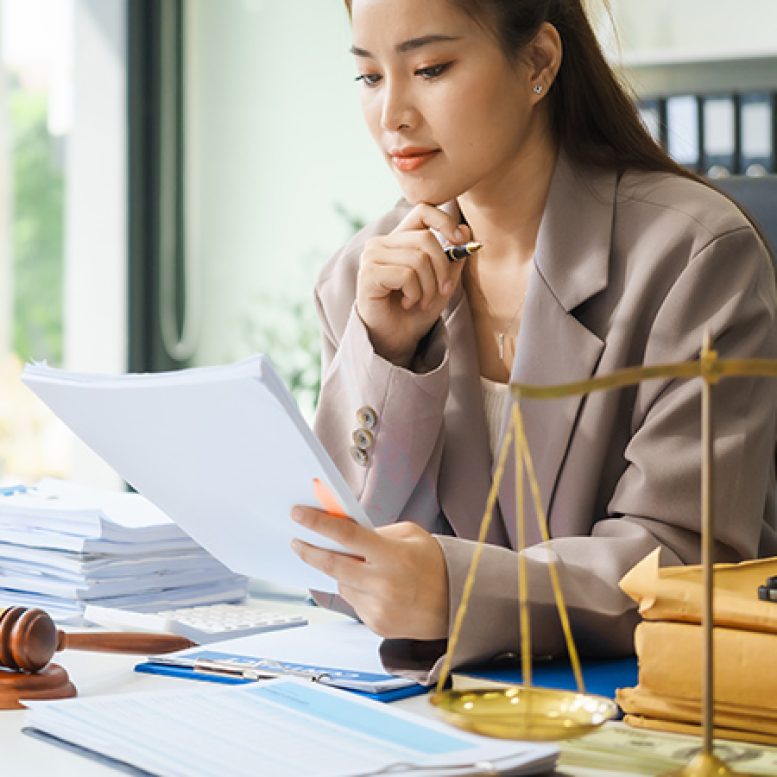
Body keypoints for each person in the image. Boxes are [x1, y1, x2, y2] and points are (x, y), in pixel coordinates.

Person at [290, 0, 777, 681]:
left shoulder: (692, 253)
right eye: (369, 77)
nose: (392, 114)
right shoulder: (361, 274)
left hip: (641, 712)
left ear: (539, 62)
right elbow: (335, 553)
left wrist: (459, 591)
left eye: (429, 68)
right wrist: (383, 355)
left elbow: (681, 559)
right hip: (433, 715)